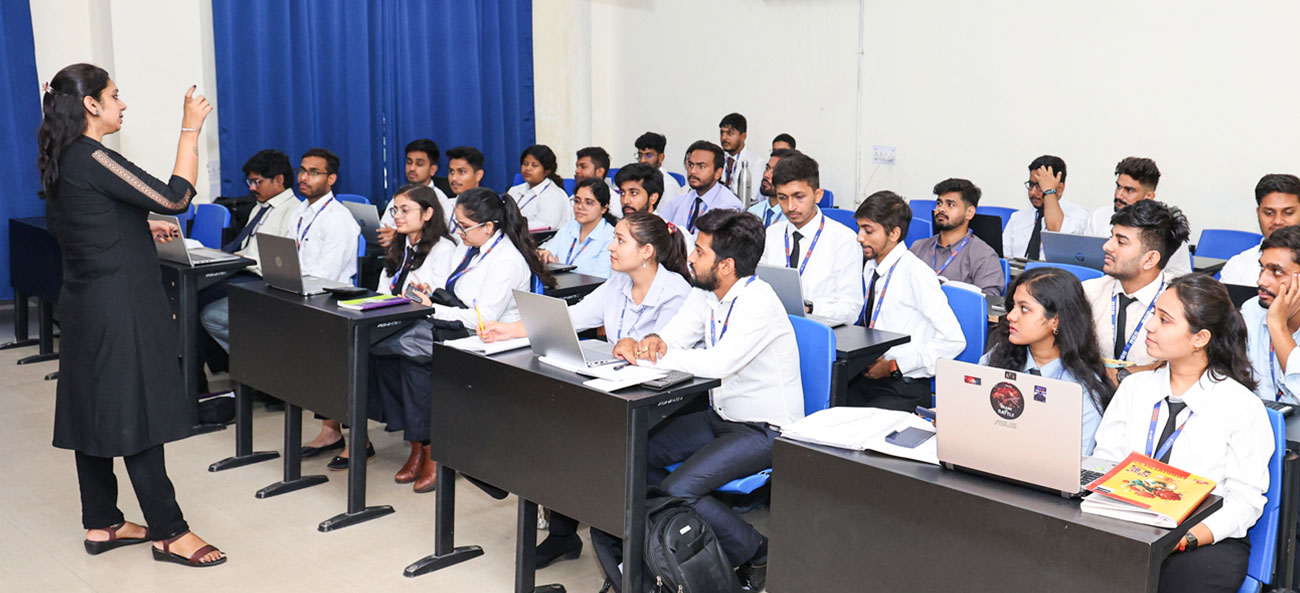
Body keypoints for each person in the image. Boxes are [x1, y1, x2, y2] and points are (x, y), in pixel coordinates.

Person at [38, 63, 224, 566]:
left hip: (85, 302)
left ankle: (103, 523)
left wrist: (137, 229)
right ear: (91, 105)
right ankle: (170, 532)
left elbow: (84, 221)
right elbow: (174, 198)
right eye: (115, 96)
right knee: (136, 412)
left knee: (92, 409)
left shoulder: (62, 156)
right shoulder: (92, 155)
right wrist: (190, 127)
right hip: (119, 306)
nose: (124, 104)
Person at [481, 212, 693, 566]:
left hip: (663, 399)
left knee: (579, 434)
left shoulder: (677, 293)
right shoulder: (618, 284)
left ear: (647, 252)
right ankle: (564, 534)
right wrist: (510, 329)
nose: (611, 246)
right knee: (560, 426)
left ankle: (608, 538)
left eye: (621, 240)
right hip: (619, 387)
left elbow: (667, 358)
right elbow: (574, 317)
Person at [613, 209, 803, 591]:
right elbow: (672, 338)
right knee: (632, 455)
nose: (690, 258)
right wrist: (648, 344)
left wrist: (657, 354)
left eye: (699, 251)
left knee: (678, 490)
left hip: (764, 429)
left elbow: (720, 362)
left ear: (727, 265)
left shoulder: (758, 301)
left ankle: (757, 551)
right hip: (721, 417)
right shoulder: (706, 294)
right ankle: (674, 546)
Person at [1092, 274, 1273, 593]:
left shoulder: (1241, 405)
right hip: (1129, 524)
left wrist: (1186, 538)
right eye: (1153, 315)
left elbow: (1244, 500)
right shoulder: (1135, 388)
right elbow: (1106, 462)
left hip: (1201, 540)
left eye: (1164, 320)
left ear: (1200, 338)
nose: (1150, 326)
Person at [201, 148, 360, 354]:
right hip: (291, 291)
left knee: (228, 316)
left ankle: (270, 368)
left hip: (322, 301)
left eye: (313, 172)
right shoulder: (301, 214)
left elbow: (327, 279)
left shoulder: (338, 219)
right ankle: (265, 371)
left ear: (331, 179)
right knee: (212, 314)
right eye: (301, 170)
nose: (303, 177)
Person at [368, 185, 456, 492]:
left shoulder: (444, 249)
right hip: (398, 322)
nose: (397, 216)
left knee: (410, 360)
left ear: (428, 213)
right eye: (395, 210)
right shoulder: (401, 245)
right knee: (378, 355)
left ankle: (432, 451)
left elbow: (440, 298)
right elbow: (384, 289)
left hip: (430, 327)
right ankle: (416, 445)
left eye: (405, 210)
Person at [849, 191, 965, 410]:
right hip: (868, 376)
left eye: (868, 230)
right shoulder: (870, 268)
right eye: (859, 228)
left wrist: (895, 366)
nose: (859, 237)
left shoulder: (917, 274)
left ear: (894, 234)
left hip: (902, 384)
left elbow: (954, 341)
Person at [981, 267, 1114, 455]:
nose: (1010, 316)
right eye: (1013, 306)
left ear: (1056, 321)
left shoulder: (1082, 391)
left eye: (1024, 309)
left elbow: (1077, 461)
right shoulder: (999, 355)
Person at [1081, 199, 1190, 385]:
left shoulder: (1182, 304)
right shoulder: (1088, 292)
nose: (1107, 246)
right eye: (1111, 236)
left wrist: (1123, 376)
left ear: (1150, 259)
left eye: (1121, 242)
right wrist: (1147, 369)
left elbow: (1183, 368)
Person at [758, 152, 863, 324]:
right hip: (774, 328)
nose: (790, 207)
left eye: (799, 197)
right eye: (782, 198)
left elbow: (851, 310)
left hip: (819, 332)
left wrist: (810, 308)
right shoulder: (772, 234)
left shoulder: (843, 240)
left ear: (818, 195)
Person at [1083, 157, 1192, 278]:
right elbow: (1084, 261)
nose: (1119, 195)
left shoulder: (1165, 228)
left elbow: (1181, 278)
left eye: (1129, 190)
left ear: (1148, 196)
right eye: (1118, 187)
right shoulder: (1099, 216)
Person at [909, 178, 1005, 299]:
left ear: (969, 212)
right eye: (939, 203)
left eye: (950, 204)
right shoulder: (918, 247)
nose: (941, 209)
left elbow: (987, 303)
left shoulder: (984, 256)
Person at [1242, 225, 1300, 404]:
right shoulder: (1252, 310)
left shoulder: (1270, 315)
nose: (1261, 281)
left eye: (1276, 271)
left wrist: (1277, 325)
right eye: (1262, 269)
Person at [1002, 154, 1090, 260]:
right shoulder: (1017, 217)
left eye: (1040, 186)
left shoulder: (1079, 214)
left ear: (1059, 188)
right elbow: (1003, 257)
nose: (1032, 192)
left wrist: (1049, 191)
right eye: (1031, 185)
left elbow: (1057, 233)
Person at [1220, 174, 1300, 286]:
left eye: (1288, 213)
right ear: (1258, 214)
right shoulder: (1239, 266)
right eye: (1269, 213)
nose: (1278, 221)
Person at [378, 139, 454, 248]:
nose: (412, 168)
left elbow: (439, 234)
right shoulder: (402, 195)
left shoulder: (439, 199)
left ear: (432, 169)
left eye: (419, 164)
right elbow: (385, 225)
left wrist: (398, 236)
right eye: (409, 162)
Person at [656, 140, 743, 236]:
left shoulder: (729, 206)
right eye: (691, 165)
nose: (693, 171)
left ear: (718, 173)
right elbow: (658, 229)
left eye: (701, 166)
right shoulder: (679, 200)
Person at [537, 177, 617, 278]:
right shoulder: (569, 226)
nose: (580, 207)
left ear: (604, 208)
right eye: (577, 201)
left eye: (588, 202)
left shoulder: (610, 237)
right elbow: (549, 254)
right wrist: (545, 254)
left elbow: (600, 279)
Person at [507, 144, 572, 231]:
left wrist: (511, 226)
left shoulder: (554, 195)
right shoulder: (514, 190)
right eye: (525, 164)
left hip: (542, 242)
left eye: (534, 165)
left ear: (547, 171)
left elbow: (544, 226)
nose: (528, 169)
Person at [718, 112, 762, 207]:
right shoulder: (717, 158)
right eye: (722, 133)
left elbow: (751, 197)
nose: (724, 138)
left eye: (730, 133)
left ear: (743, 136)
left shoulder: (756, 163)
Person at [747, 148, 795, 227]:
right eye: (767, 168)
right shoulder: (753, 213)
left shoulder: (794, 217)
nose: (766, 175)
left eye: (775, 172)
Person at [574, 145, 622, 217]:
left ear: (600, 172)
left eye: (583, 167)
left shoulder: (614, 202)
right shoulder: (572, 198)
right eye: (577, 167)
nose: (577, 171)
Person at [634, 131, 683, 199]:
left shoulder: (668, 186)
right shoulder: (636, 179)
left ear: (660, 158)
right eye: (640, 155)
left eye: (648, 155)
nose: (642, 160)